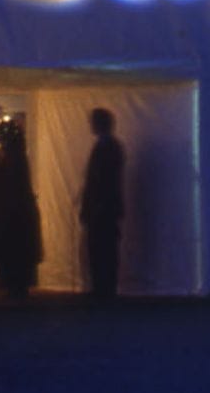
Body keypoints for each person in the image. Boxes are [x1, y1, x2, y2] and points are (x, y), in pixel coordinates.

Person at [0, 118, 41, 300]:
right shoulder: (17, 158)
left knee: (13, 251)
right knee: (16, 252)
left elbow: (7, 185)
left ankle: (16, 286)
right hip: (17, 213)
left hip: (13, 214)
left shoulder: (13, 160)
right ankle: (17, 286)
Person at [80, 107, 125, 300]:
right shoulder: (110, 147)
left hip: (103, 208)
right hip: (102, 207)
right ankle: (102, 287)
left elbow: (104, 181)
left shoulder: (109, 148)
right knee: (100, 249)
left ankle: (104, 289)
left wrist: (94, 205)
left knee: (102, 249)